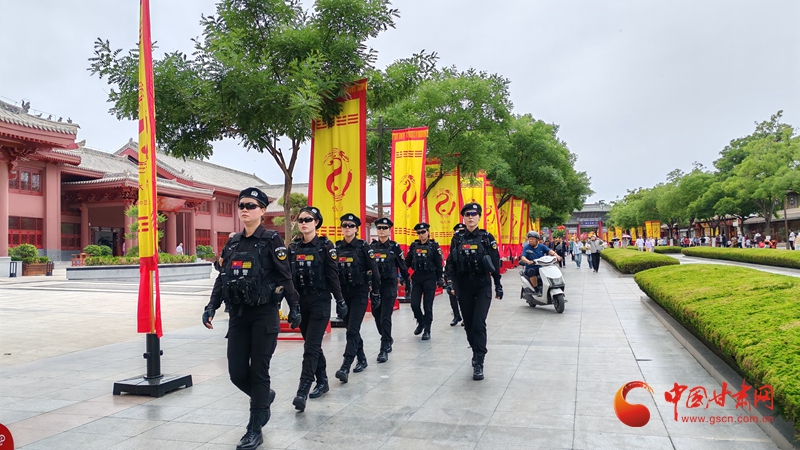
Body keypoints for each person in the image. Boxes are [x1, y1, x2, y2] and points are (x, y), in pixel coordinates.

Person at [202, 187, 300, 450]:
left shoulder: (272, 241)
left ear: (263, 211)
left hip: (264, 315)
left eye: (251, 206)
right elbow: (223, 278)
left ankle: (254, 428)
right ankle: (264, 397)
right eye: (241, 205)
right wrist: (211, 306)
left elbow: (285, 277)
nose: (245, 210)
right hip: (238, 316)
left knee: (258, 371)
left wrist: (295, 308)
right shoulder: (233, 242)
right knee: (236, 373)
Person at [288, 206, 345, 412]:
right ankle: (322, 380)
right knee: (312, 345)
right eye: (301, 220)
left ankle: (302, 390)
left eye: (308, 220)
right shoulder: (293, 248)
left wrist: (340, 301)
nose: (304, 223)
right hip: (301, 302)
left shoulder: (325, 247)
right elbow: (287, 278)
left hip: (320, 301)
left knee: (311, 347)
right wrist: (290, 305)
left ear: (316, 223)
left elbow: (332, 275)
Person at [446, 202, 503, 381]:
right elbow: (451, 262)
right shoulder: (457, 238)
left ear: (479, 216)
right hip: (464, 286)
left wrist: (498, 285)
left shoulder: (486, 238)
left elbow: (495, 262)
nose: (470, 217)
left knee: (479, 323)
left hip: (482, 285)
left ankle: (479, 360)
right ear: (463, 217)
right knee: (469, 325)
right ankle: (475, 350)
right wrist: (450, 282)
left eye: (474, 214)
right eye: (467, 214)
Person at [334, 213, 381, 383]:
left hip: (360, 292)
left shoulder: (363, 247)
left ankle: (346, 366)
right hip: (343, 294)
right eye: (344, 225)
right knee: (350, 328)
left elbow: (374, 271)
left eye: (351, 226)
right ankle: (361, 358)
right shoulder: (336, 248)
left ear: (356, 229)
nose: (347, 228)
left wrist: (376, 293)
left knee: (352, 330)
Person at [369, 217, 410, 363]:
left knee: (385, 316)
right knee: (376, 314)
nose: (381, 230)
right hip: (375, 287)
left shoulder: (394, 247)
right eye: (379, 228)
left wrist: (406, 281)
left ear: (389, 230)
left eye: (384, 228)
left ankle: (384, 347)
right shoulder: (371, 247)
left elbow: (403, 266)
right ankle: (386, 337)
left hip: (389, 285)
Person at [405, 222, 444, 340]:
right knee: (414, 304)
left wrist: (440, 278)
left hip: (430, 278)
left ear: (428, 232)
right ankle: (421, 322)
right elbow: (407, 262)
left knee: (427, 306)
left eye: (423, 232)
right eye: (419, 233)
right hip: (417, 277)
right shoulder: (414, 246)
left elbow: (438, 263)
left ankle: (427, 329)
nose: (421, 235)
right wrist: (403, 275)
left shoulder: (433, 246)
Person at [447, 223, 467, 326]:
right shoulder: (454, 240)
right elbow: (451, 256)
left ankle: (465, 317)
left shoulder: (469, 240)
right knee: (452, 293)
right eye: (458, 231)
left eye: (462, 230)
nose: (460, 233)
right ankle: (456, 315)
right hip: (455, 271)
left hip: (466, 272)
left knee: (463, 296)